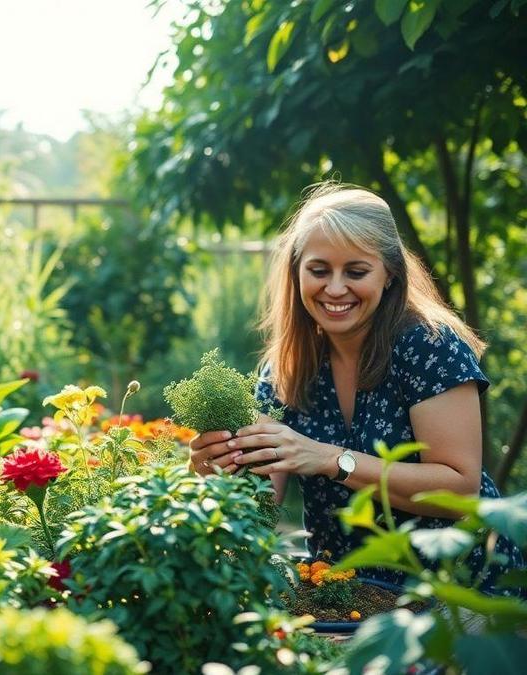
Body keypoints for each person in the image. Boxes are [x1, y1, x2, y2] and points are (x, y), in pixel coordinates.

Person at [189, 182, 522, 592]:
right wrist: (214, 474)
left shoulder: (429, 346)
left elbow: (460, 488)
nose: (334, 288)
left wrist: (330, 459)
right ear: (296, 273)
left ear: (390, 275)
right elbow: (260, 506)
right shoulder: (284, 370)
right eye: (319, 270)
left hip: (460, 594)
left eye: (356, 271)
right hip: (348, 597)